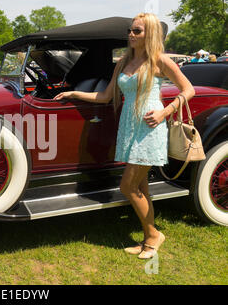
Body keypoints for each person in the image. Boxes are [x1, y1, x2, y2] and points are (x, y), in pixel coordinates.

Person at [54, 13, 195, 259]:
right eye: (130, 30)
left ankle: (153, 236)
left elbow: (188, 89)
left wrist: (165, 112)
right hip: (129, 127)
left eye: (137, 31)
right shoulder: (122, 62)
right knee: (140, 186)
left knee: (127, 186)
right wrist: (74, 94)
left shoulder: (159, 61)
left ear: (149, 34)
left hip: (150, 128)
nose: (131, 34)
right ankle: (147, 237)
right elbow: (106, 96)